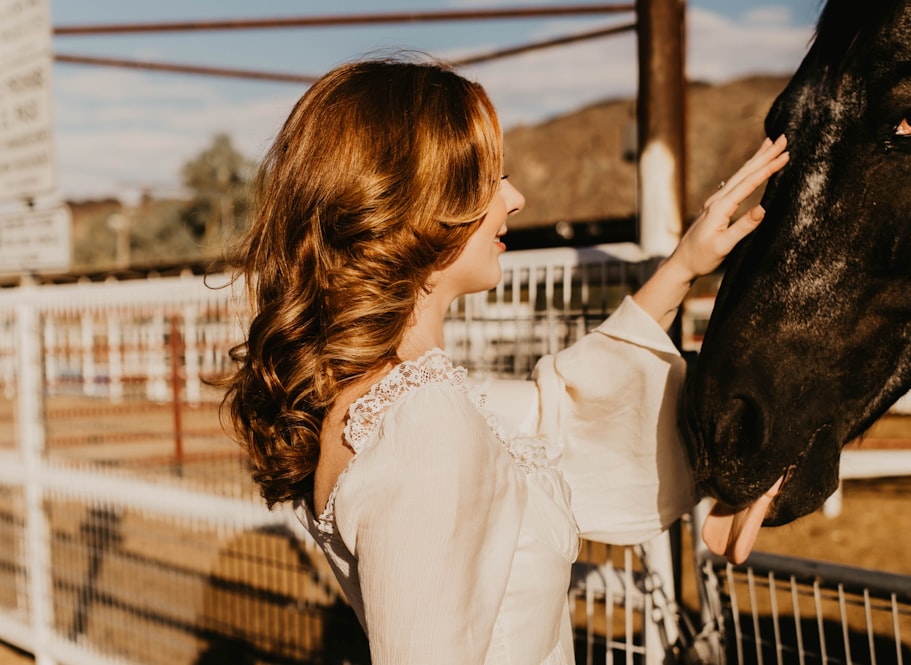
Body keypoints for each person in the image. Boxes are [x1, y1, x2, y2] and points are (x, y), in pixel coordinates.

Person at [222, 55, 789, 664]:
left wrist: (681, 268)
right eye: (491, 178)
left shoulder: (382, 401)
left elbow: (559, 414)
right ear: (417, 200)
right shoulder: (421, 423)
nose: (515, 199)